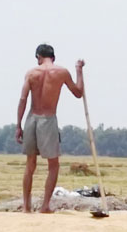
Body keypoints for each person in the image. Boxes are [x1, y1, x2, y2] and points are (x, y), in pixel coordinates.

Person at [16, 44, 85, 213]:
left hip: (31, 118)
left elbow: (23, 99)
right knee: (53, 164)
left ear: (38, 57)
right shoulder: (61, 72)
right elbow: (78, 92)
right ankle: (45, 205)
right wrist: (79, 70)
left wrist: (18, 125)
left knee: (30, 164)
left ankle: (26, 206)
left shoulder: (31, 73)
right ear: (53, 57)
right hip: (48, 119)